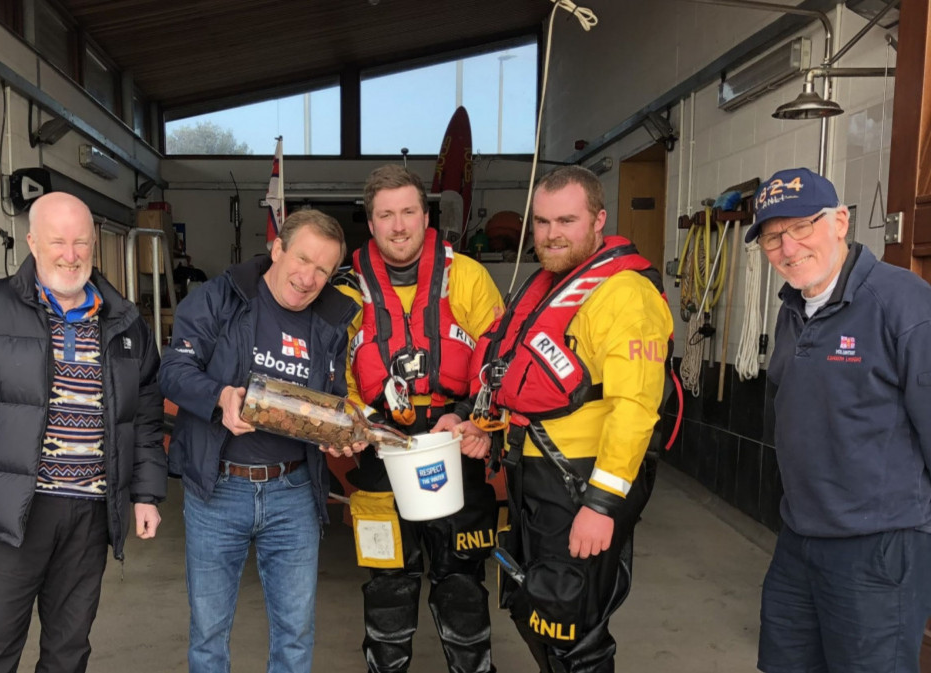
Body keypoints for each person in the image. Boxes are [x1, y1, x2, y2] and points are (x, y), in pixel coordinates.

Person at [445, 165, 674, 673]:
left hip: (582, 482)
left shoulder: (624, 294)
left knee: (573, 623)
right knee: (538, 608)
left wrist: (602, 504)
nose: (551, 235)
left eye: (566, 221)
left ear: (598, 220)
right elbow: (519, 378)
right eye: (543, 222)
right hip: (535, 476)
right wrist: (479, 421)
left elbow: (635, 408)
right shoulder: (550, 284)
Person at [0, 191, 167, 672]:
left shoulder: (123, 322)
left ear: (94, 244)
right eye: (58, 241)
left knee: (68, 651)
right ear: (32, 241)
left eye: (81, 242)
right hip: (12, 510)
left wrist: (146, 494)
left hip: (91, 513)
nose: (71, 254)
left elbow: (144, 414)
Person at [747, 168, 931, 673]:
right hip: (800, 537)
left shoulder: (902, 301)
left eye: (802, 227)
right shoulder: (793, 307)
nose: (788, 248)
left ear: (841, 221)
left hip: (879, 544)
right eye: (771, 237)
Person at [160, 209, 358, 673]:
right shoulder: (219, 298)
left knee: (295, 633)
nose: (308, 278)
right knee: (209, 634)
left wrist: (339, 433)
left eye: (323, 270)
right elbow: (172, 372)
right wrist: (219, 396)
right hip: (218, 489)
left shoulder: (332, 322)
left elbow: (333, 399)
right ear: (278, 249)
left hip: (293, 494)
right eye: (302, 259)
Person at [327, 164, 504, 673]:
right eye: (386, 215)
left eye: (408, 212)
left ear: (426, 216)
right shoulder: (345, 288)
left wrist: (474, 420)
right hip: (380, 453)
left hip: (455, 447)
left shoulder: (467, 275)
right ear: (371, 220)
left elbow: (498, 360)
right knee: (387, 584)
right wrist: (356, 418)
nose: (398, 225)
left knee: (462, 584)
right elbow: (331, 370)